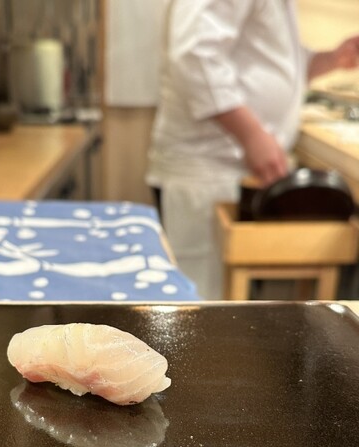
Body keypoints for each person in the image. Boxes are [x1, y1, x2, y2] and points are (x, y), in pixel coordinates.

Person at [146, 0, 359, 299]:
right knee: (202, 299)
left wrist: (331, 60)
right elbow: (194, 55)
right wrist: (250, 134)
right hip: (208, 171)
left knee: (228, 304)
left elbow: (269, 62)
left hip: (234, 170)